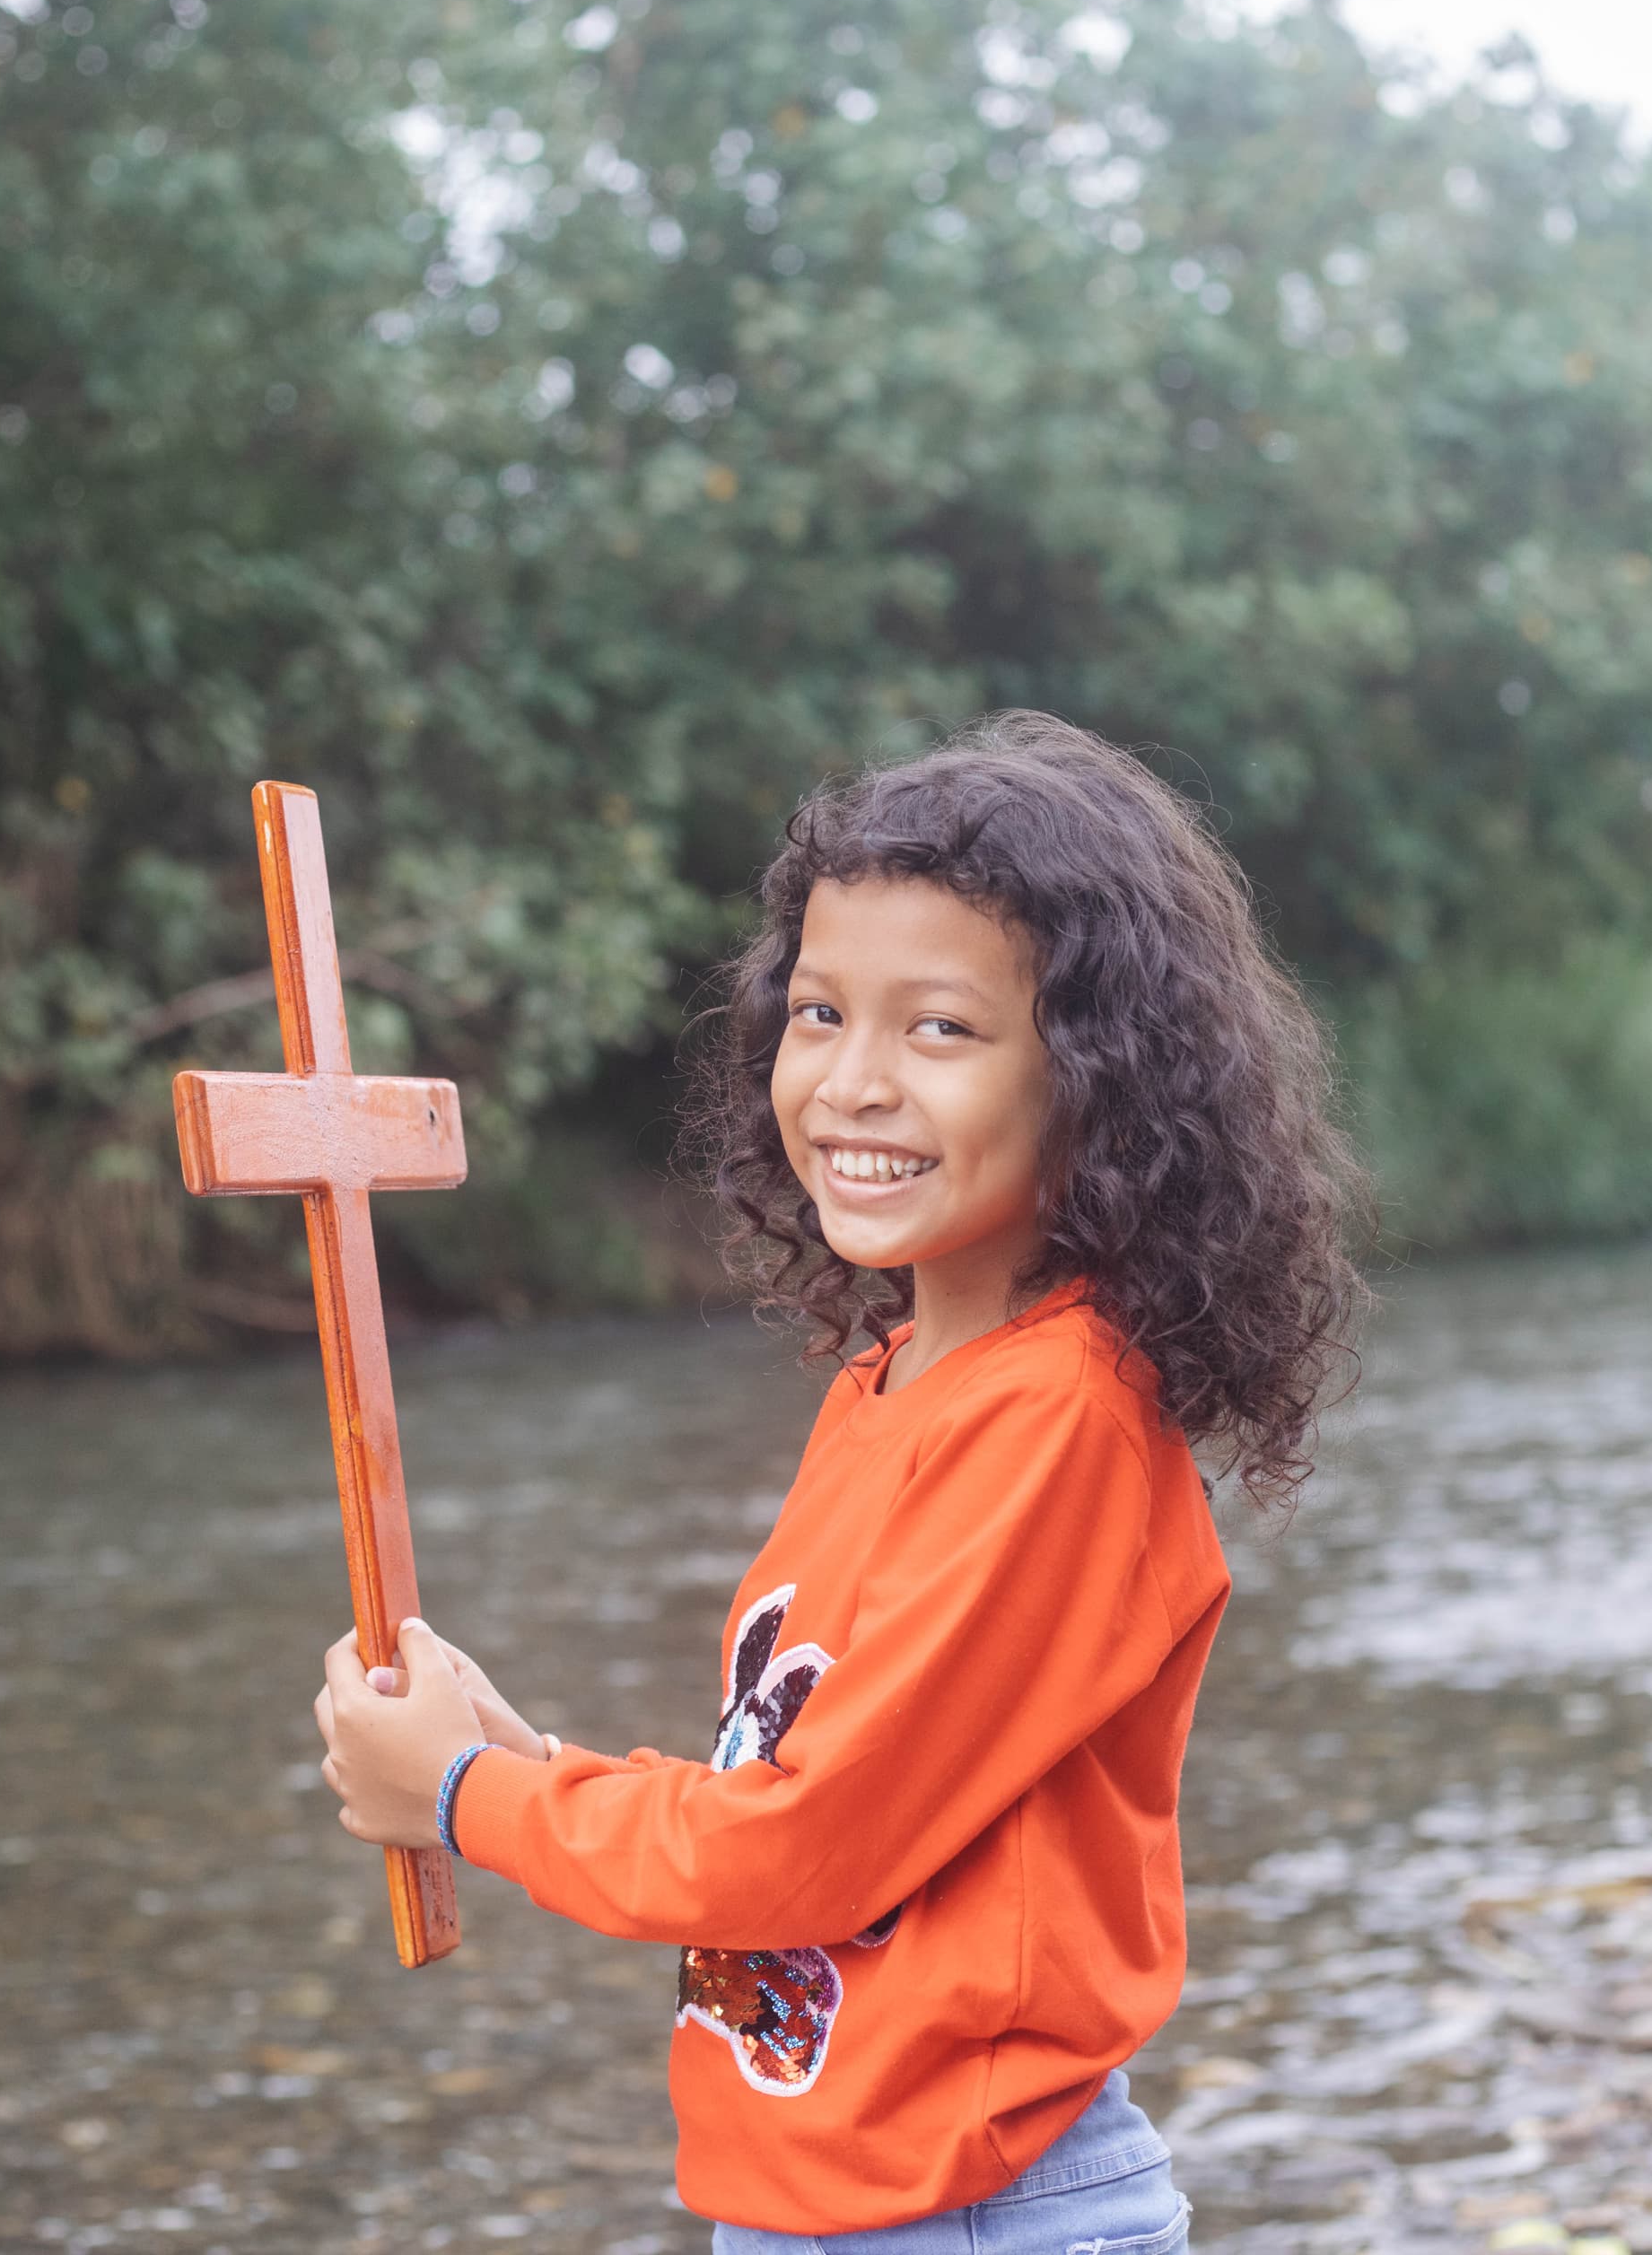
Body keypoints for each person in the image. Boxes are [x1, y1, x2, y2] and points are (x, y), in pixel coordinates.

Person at [312, 713, 1369, 2251]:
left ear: (1098, 1083)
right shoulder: (894, 1386)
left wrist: (477, 1801)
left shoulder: (1060, 1428)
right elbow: (810, 1794)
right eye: (819, 1014)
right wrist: (523, 1756)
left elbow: (807, 1853)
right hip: (837, 2200)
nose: (855, 1082)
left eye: (940, 1029)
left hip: (973, 2209)